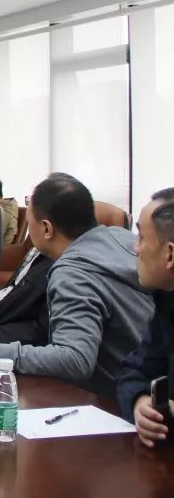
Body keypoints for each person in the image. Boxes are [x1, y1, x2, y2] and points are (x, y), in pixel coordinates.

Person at [0, 173, 154, 399]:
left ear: (47, 229)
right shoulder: (123, 238)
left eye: (30, 221)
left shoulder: (72, 273)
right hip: (152, 390)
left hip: (117, 404)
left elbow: (74, 359)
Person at [117, 188, 174, 447]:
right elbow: (135, 370)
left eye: (141, 237)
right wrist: (139, 401)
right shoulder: (166, 298)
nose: (136, 248)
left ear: (170, 254)